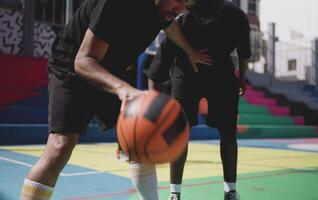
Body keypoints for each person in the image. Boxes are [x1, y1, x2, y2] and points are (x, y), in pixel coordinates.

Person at [19, 0, 212, 199]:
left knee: (140, 141)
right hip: (71, 68)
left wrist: (191, 52)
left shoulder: (164, 11)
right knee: (61, 145)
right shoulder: (116, 4)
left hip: (112, 71)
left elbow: (171, 27)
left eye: (186, 5)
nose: (180, 10)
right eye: (179, 1)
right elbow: (83, 62)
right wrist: (123, 89)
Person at [143, 0, 251, 199]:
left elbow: (243, 52)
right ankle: (174, 193)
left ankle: (231, 191)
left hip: (221, 73)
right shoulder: (182, 20)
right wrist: (152, 96)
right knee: (180, 132)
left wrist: (242, 78)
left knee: (228, 132)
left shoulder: (236, 17)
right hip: (186, 72)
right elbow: (161, 60)